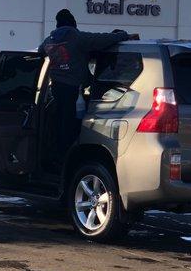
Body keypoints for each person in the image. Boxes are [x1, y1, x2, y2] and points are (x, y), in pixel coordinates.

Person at [38, 9, 130, 162]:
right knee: (70, 126)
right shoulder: (77, 37)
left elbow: (40, 51)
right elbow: (101, 40)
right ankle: (68, 159)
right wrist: (123, 35)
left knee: (59, 123)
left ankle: (58, 157)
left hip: (56, 89)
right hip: (73, 90)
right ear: (73, 23)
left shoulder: (49, 41)